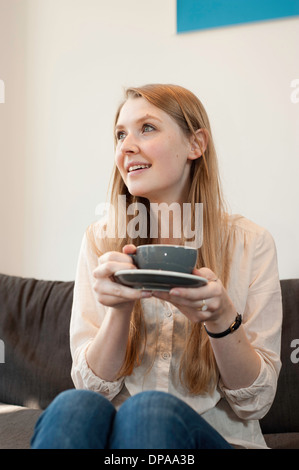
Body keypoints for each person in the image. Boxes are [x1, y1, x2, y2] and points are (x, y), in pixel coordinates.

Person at [31, 84, 282, 449]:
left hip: (219, 438)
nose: (126, 146)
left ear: (195, 144)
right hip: (120, 442)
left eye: (146, 128)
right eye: (120, 134)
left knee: (148, 411)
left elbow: (255, 402)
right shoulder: (100, 241)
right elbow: (92, 389)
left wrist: (221, 317)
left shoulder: (250, 243)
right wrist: (119, 310)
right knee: (72, 405)